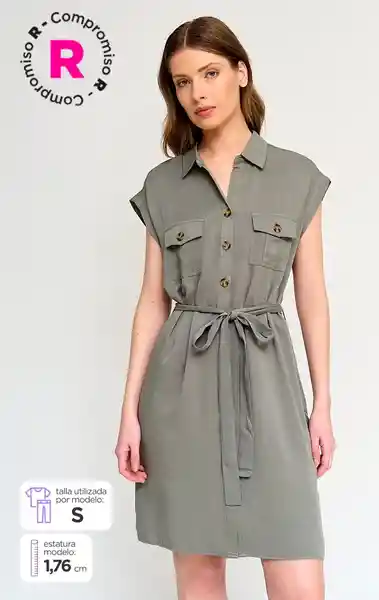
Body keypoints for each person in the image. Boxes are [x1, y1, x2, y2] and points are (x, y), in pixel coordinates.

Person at [115, 15, 336, 600]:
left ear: (241, 72)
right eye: (183, 82)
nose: (198, 93)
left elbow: (312, 298)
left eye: (210, 73)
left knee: (297, 570)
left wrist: (322, 406)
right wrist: (129, 412)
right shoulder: (163, 186)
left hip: (270, 385)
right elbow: (151, 303)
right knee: (199, 572)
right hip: (181, 390)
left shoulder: (297, 177)